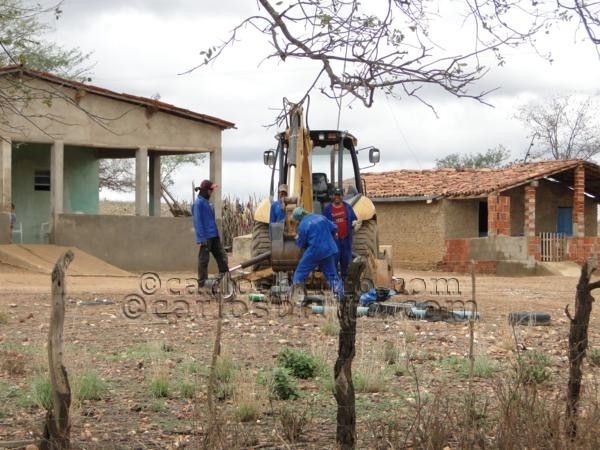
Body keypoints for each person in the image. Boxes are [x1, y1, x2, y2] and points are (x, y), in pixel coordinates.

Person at [291, 207, 343, 299]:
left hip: (315, 251)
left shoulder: (302, 225)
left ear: (298, 219)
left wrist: (296, 238)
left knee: (299, 273)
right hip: (329, 250)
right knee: (332, 276)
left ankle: (298, 297)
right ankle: (340, 297)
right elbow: (335, 228)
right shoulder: (321, 217)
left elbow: (301, 244)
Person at [192, 179, 229, 287]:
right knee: (204, 261)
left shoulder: (208, 203)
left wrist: (217, 234)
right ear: (205, 190)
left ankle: (225, 280)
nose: (212, 192)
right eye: (210, 190)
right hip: (206, 238)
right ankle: (202, 284)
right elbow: (197, 222)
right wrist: (201, 238)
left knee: (222, 257)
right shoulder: (198, 203)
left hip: (214, 236)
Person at [323, 188, 359, 278]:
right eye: (335, 195)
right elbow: (323, 223)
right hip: (334, 241)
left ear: (342, 196)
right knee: (333, 262)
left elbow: (354, 218)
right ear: (332, 196)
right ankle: (335, 283)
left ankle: (345, 281)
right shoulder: (327, 210)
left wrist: (355, 222)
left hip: (346, 240)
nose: (337, 197)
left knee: (346, 262)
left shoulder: (348, 208)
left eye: (339, 195)